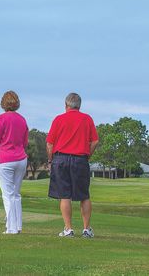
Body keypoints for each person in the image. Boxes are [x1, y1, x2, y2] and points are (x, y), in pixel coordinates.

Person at [46, 93, 99, 238]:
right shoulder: (87, 119)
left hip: (61, 159)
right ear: (79, 106)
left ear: (66, 105)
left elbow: (50, 144)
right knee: (84, 196)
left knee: (64, 195)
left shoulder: (59, 119)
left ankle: (68, 229)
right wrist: (87, 155)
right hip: (80, 159)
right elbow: (95, 141)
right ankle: (86, 229)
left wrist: (50, 161)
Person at [0, 91, 29, 234]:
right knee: (16, 194)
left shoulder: (1, 118)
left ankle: (11, 228)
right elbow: (25, 142)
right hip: (21, 159)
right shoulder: (22, 119)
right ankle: (17, 226)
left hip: (6, 159)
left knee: (7, 195)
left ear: (3, 103)